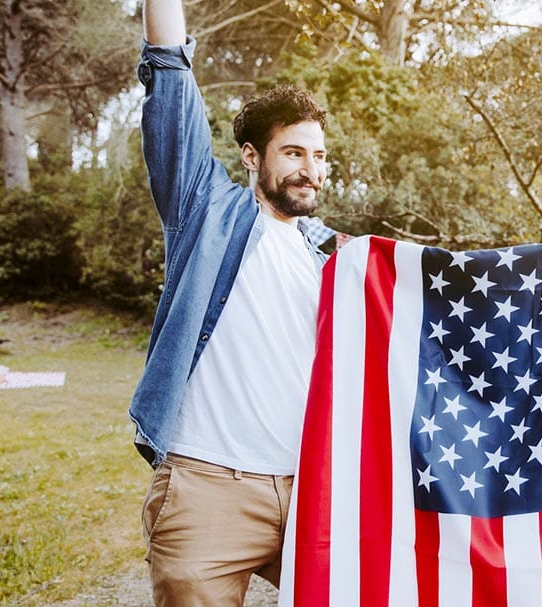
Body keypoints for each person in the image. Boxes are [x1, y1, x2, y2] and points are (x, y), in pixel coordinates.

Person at [129, 1, 331, 604]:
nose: (310, 170)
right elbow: (168, 69)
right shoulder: (205, 211)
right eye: (294, 152)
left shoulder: (331, 257)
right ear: (252, 156)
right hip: (207, 487)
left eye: (319, 156)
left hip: (312, 489)